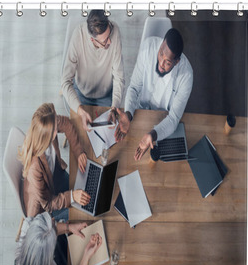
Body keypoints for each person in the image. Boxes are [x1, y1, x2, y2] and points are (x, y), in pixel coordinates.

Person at [113, 28, 193, 160]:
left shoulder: (187, 76)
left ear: (177, 62)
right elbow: (134, 88)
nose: (161, 63)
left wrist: (152, 135)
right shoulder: (148, 47)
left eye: (167, 62)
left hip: (163, 122)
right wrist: (128, 114)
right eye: (161, 53)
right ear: (161, 44)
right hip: (140, 112)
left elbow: (173, 119)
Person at [19, 103, 90, 219]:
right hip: (45, 211)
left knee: (87, 188)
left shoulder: (49, 125)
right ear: (45, 136)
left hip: (55, 178)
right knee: (82, 213)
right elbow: (48, 204)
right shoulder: (34, 167)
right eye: (55, 130)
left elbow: (66, 123)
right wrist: (72, 196)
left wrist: (79, 151)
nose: (58, 129)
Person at [61, 9, 125, 131]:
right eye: (105, 41)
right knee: (80, 136)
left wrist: (114, 108)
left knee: (108, 134)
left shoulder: (114, 31)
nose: (110, 41)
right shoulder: (78, 35)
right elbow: (65, 81)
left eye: (109, 34)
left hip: (106, 95)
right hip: (81, 93)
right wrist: (79, 110)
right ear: (92, 40)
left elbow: (119, 77)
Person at [13, 212, 102, 265]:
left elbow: (46, 230)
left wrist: (69, 227)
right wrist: (87, 255)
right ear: (50, 254)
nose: (54, 218)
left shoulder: (28, 224)